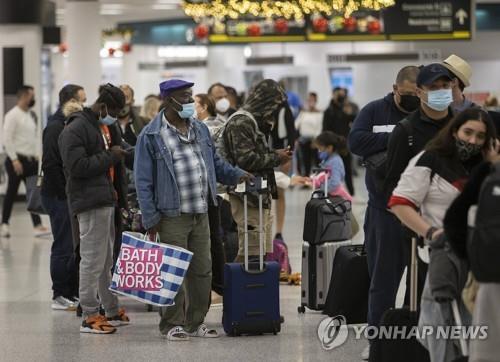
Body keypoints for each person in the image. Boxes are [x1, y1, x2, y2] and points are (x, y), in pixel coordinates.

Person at [134, 79, 250, 341]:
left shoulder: (199, 129)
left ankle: (195, 322)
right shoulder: (151, 135)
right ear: (169, 100)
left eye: (190, 95)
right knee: (173, 270)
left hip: (201, 210)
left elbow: (214, 163)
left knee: (202, 270)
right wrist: (150, 217)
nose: (190, 101)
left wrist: (237, 175)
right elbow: (142, 180)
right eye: (184, 97)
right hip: (171, 214)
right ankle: (171, 324)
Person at [388, 108, 497, 362]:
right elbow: (399, 203)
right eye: (467, 132)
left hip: (484, 259)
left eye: (480, 136)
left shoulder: (489, 165)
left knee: (480, 331)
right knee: (443, 329)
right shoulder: (431, 159)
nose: (472, 141)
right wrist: (431, 232)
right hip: (445, 254)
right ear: (455, 130)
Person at [347, 65, 420, 360]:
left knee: (418, 281)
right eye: (409, 93)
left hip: (421, 211)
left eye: (419, 93)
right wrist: (400, 138)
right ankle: (377, 341)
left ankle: (409, 339)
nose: (414, 98)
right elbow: (355, 142)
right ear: (395, 88)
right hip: (384, 210)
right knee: (383, 282)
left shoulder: (427, 116)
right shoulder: (375, 111)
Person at [59, 83, 131, 334]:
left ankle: (110, 307)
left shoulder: (104, 125)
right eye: (113, 110)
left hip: (106, 199)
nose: (116, 116)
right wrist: (111, 156)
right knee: (91, 260)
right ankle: (89, 314)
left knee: (106, 259)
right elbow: (76, 166)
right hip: (89, 201)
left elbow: (115, 157)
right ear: (102, 106)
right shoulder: (76, 128)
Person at [383, 63, 455, 313]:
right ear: (420, 91)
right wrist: (413, 222)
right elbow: (391, 183)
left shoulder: (461, 127)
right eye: (433, 87)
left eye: (445, 86)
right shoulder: (406, 131)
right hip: (420, 233)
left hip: (459, 228)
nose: (441, 91)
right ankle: (415, 347)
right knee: (421, 295)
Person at [223, 79, 292, 262]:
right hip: (246, 198)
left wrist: (274, 152)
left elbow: (256, 153)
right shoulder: (241, 122)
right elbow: (246, 160)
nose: (275, 110)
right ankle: (240, 289)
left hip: (258, 196)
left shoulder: (253, 121)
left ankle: (255, 288)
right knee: (249, 252)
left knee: (259, 251)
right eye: (274, 104)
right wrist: (277, 158)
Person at [443, 144, 500, 362]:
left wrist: (475, 262)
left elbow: (454, 219)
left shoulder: (490, 173)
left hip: (491, 276)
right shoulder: (489, 174)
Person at [41, 84, 86, 311]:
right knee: (63, 244)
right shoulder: (55, 127)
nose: (84, 106)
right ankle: (59, 293)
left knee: (71, 244)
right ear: (69, 100)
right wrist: (63, 194)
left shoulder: (69, 124)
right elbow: (50, 164)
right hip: (58, 195)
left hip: (67, 194)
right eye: (81, 100)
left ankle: (70, 291)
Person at [1, 85, 48, 238]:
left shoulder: (31, 115)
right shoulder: (12, 115)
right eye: (32, 95)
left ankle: (37, 225)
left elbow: (33, 139)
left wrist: (37, 156)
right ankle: (4, 224)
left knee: (33, 193)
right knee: (11, 193)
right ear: (24, 97)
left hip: (31, 162)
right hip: (17, 161)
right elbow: (7, 139)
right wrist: (14, 159)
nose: (33, 98)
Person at [323, 87, 356, 195]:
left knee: (347, 170)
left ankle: (351, 193)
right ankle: (332, 192)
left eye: (342, 95)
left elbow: (354, 120)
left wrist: (349, 112)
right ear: (334, 95)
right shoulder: (329, 111)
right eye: (339, 95)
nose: (341, 97)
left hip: (344, 145)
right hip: (332, 146)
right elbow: (325, 129)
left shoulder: (345, 109)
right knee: (332, 170)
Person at [295, 92, 322, 176]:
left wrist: (315, 140)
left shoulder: (319, 113)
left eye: (312, 100)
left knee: (317, 161)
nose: (310, 102)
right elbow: (296, 125)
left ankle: (318, 180)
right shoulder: (303, 113)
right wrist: (296, 139)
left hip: (315, 140)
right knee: (305, 161)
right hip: (303, 140)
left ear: (315, 101)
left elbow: (320, 127)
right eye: (309, 100)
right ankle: (306, 179)